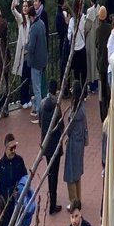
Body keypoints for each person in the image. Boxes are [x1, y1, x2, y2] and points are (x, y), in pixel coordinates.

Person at [39, 79, 63, 215]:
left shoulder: (42, 104)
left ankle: (51, 198)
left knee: (49, 172)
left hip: (46, 145)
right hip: (55, 145)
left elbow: (40, 123)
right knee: (55, 173)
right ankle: (53, 203)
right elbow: (61, 126)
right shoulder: (57, 107)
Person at [63, 88, 88, 207]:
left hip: (73, 144)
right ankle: (79, 198)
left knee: (70, 173)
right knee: (77, 173)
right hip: (80, 143)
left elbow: (69, 129)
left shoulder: (74, 111)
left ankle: (73, 201)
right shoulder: (83, 107)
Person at [25, 1, 48, 122]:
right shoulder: (42, 24)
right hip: (42, 60)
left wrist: (26, 47)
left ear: (30, 16)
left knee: (37, 88)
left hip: (35, 62)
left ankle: (40, 113)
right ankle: (39, 109)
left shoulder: (33, 28)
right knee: (39, 87)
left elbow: (32, 47)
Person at [9, 0, 31, 111]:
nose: (25, 8)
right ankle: (23, 100)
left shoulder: (31, 19)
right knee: (24, 77)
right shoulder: (21, 19)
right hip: (23, 52)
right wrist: (13, 7)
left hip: (29, 51)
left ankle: (27, 98)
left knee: (28, 77)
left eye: (27, 6)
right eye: (24, 6)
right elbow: (14, 12)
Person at [66, 0, 88, 95]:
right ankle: (84, 92)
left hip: (74, 49)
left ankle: (77, 92)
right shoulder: (83, 18)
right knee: (84, 72)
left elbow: (69, 36)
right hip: (82, 47)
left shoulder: (72, 21)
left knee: (76, 73)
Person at [94, 6, 111, 123]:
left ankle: (103, 115)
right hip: (109, 62)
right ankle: (109, 112)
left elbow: (96, 44)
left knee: (102, 92)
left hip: (101, 64)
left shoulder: (98, 30)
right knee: (109, 89)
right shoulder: (110, 29)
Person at [55, 0, 70, 97]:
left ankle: (65, 88)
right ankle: (64, 89)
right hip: (64, 42)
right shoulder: (61, 15)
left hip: (62, 42)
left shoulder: (59, 13)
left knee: (64, 65)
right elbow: (63, 30)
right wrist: (67, 22)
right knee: (64, 66)